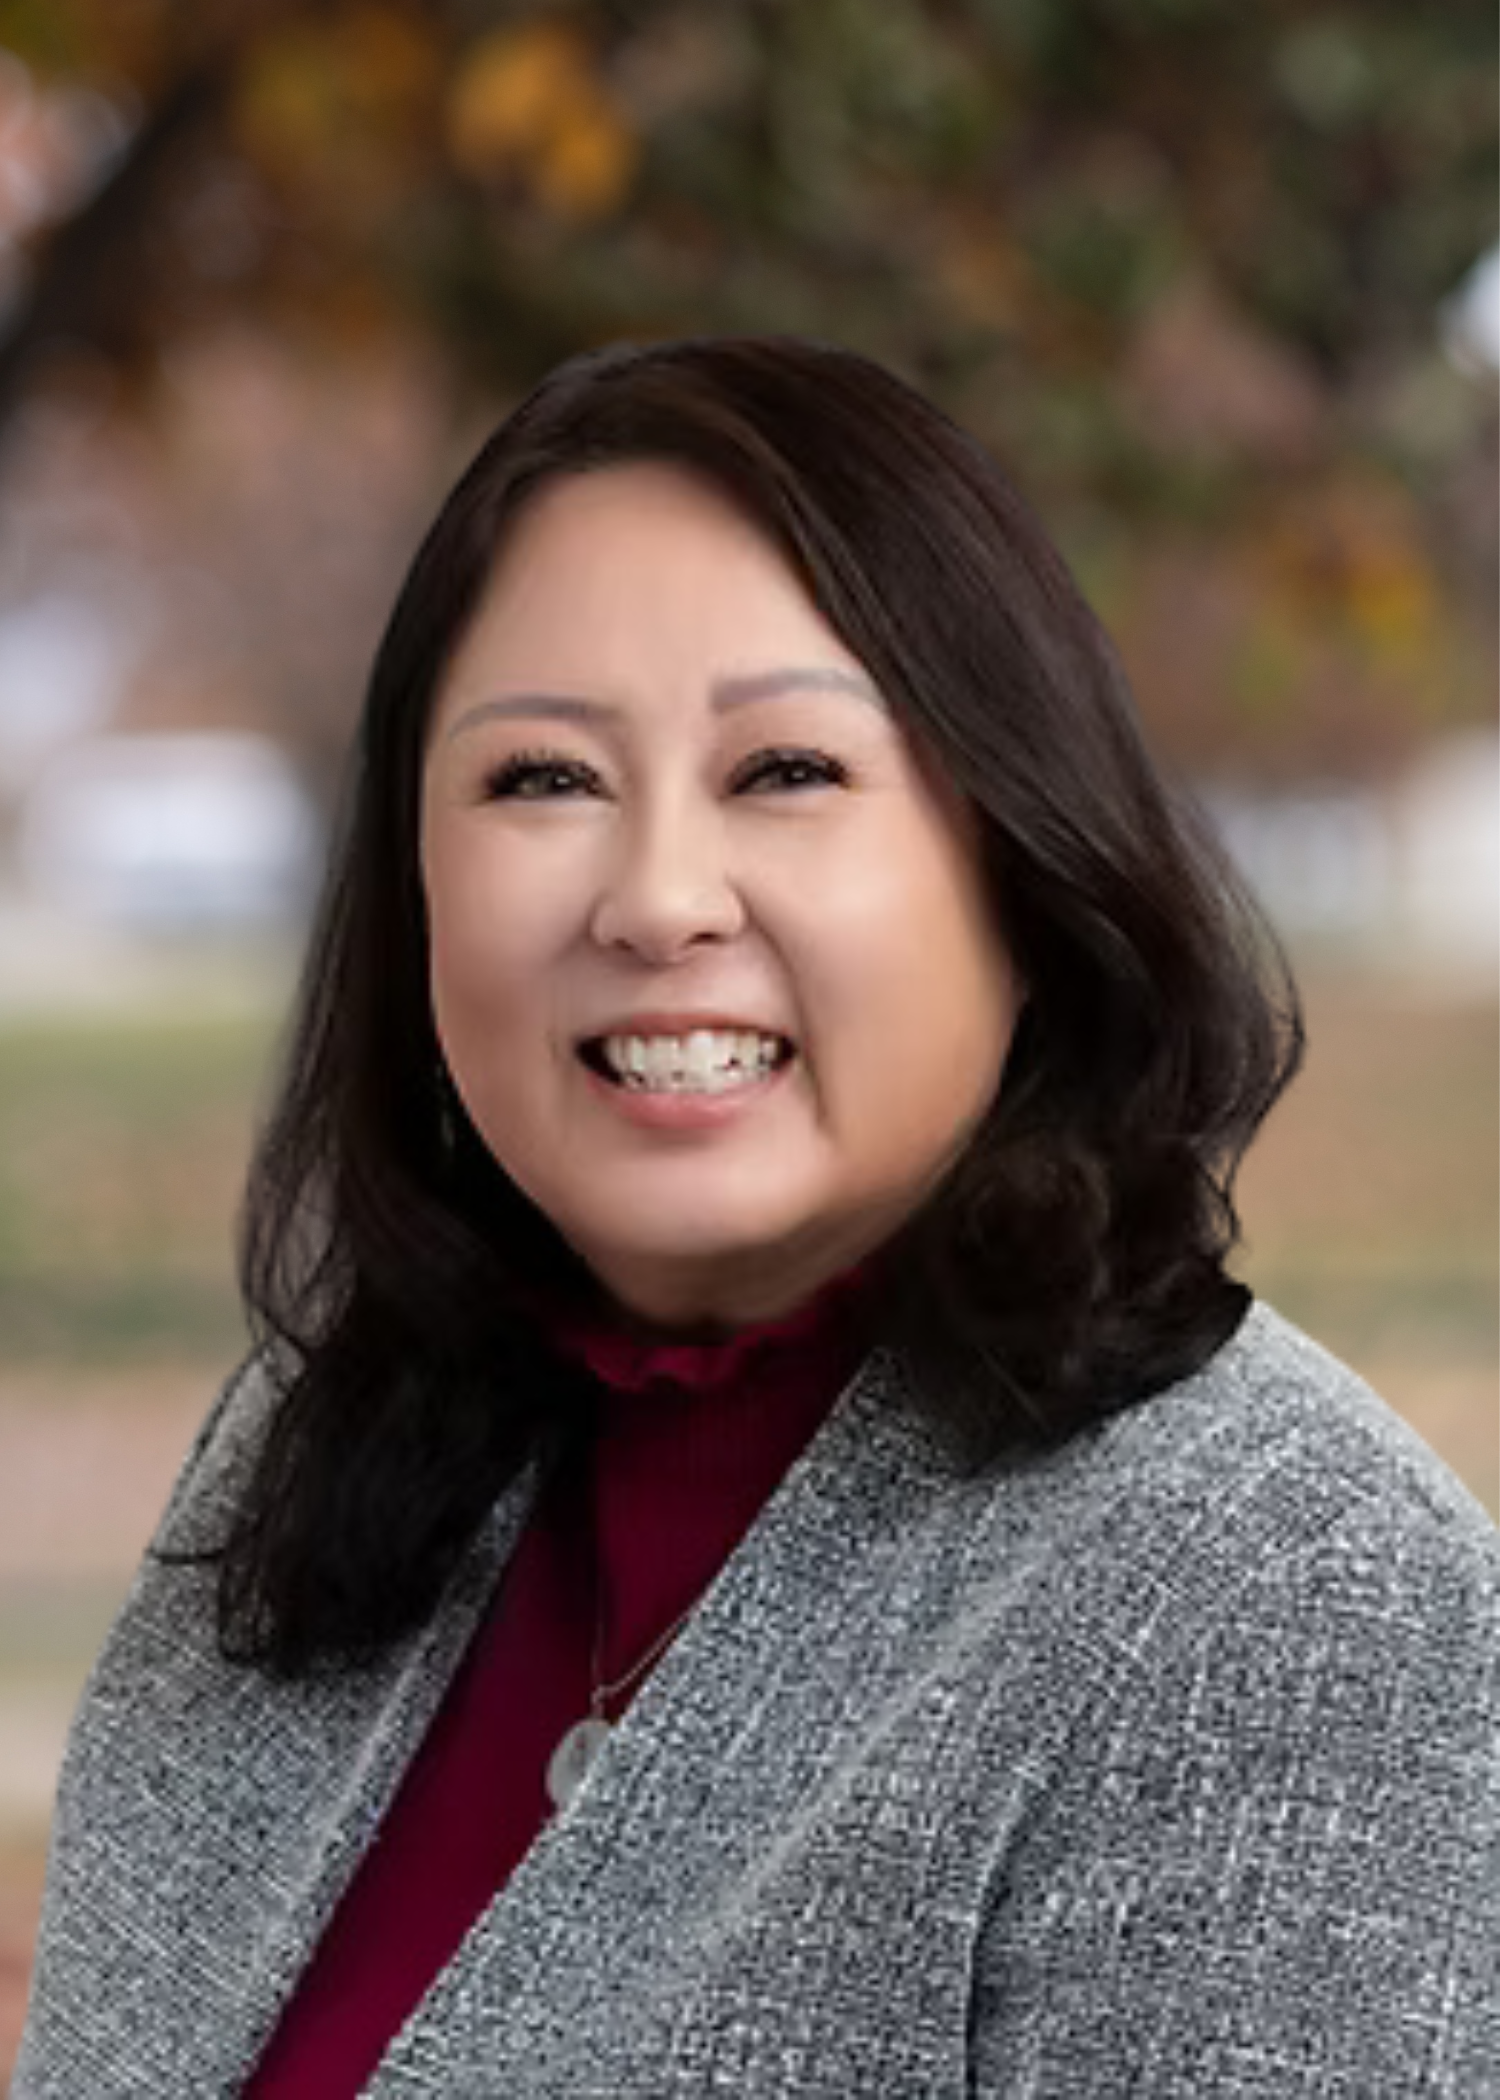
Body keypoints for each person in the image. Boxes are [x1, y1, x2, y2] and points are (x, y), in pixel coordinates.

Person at [15, 337, 1498, 2098]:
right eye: (541, 780)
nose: (655, 899)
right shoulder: (308, 1464)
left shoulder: (1289, 1597)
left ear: (1016, 863)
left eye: (786, 768)